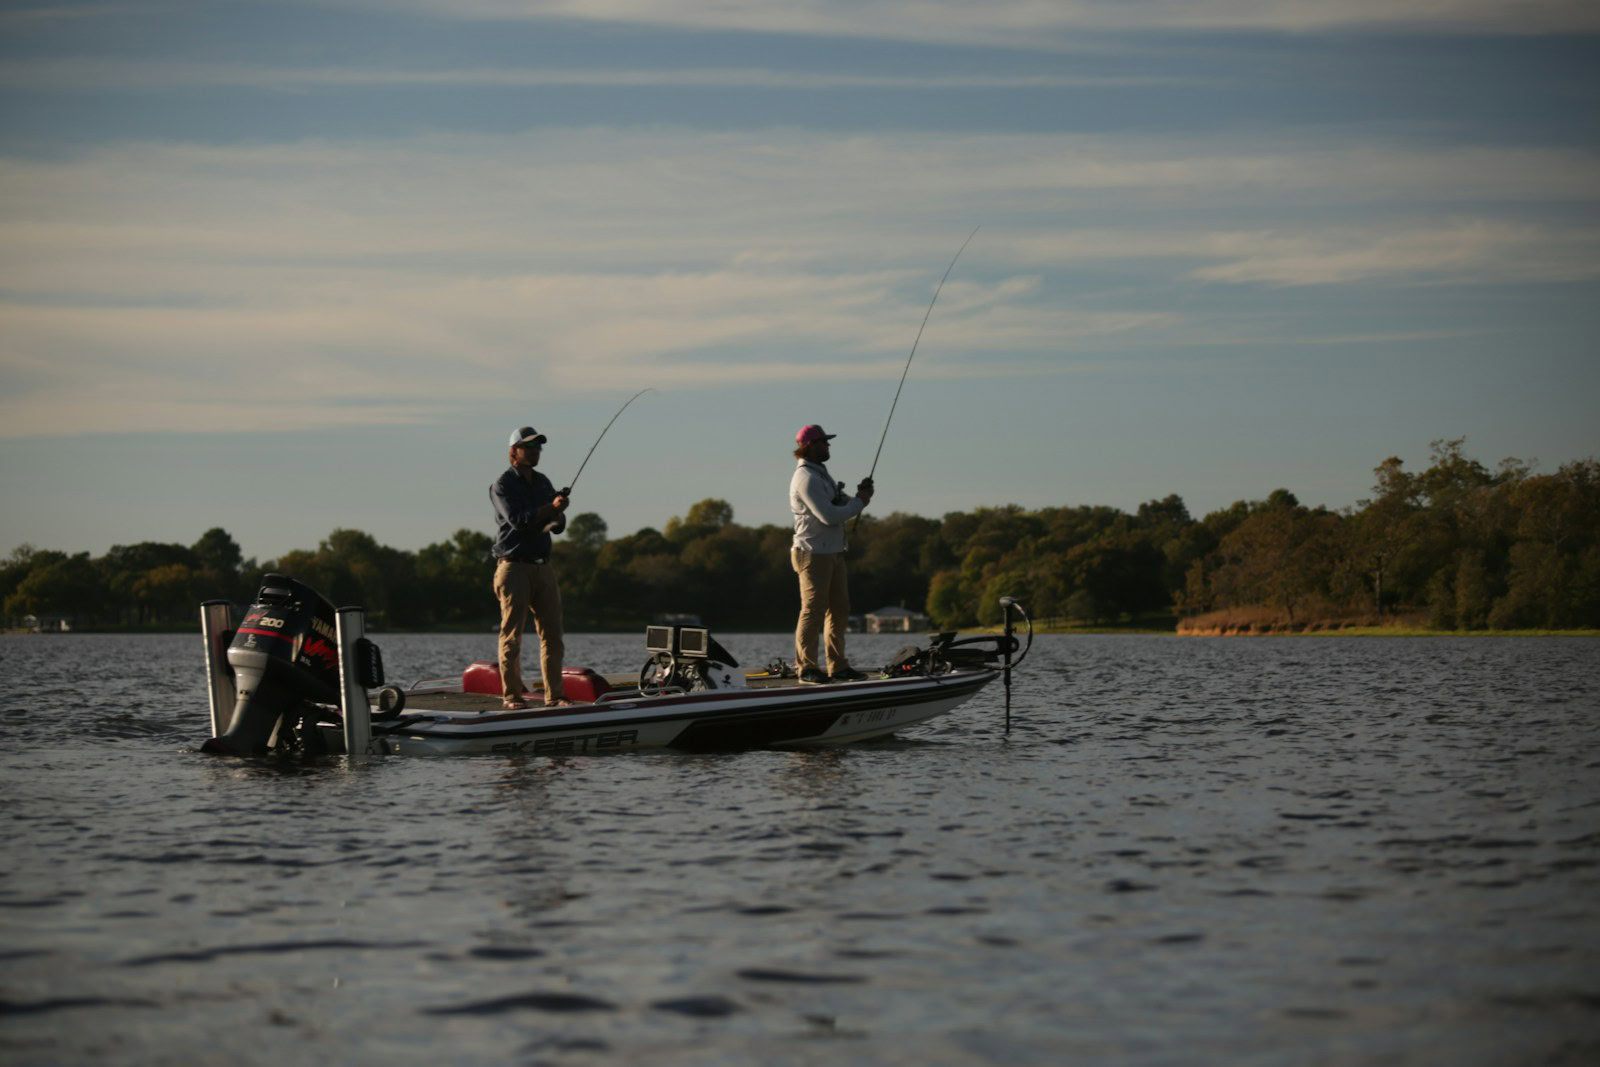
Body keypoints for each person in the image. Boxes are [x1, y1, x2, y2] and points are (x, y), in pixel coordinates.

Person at [491, 426, 573, 710]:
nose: (536, 451)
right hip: (513, 567)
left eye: (538, 447)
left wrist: (559, 511)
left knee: (553, 635)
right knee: (512, 635)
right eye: (529, 447)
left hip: (543, 568)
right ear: (514, 452)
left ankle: (556, 696)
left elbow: (557, 527)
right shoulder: (502, 485)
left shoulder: (542, 482)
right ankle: (512, 696)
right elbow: (519, 520)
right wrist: (551, 508)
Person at [789, 424, 875, 683]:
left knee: (839, 609)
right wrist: (859, 503)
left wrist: (859, 497)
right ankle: (807, 668)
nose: (828, 446)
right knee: (813, 609)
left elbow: (842, 505)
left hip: (833, 552)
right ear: (810, 446)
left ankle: (837, 666)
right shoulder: (806, 478)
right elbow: (828, 516)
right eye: (824, 442)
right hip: (812, 553)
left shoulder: (821, 474)